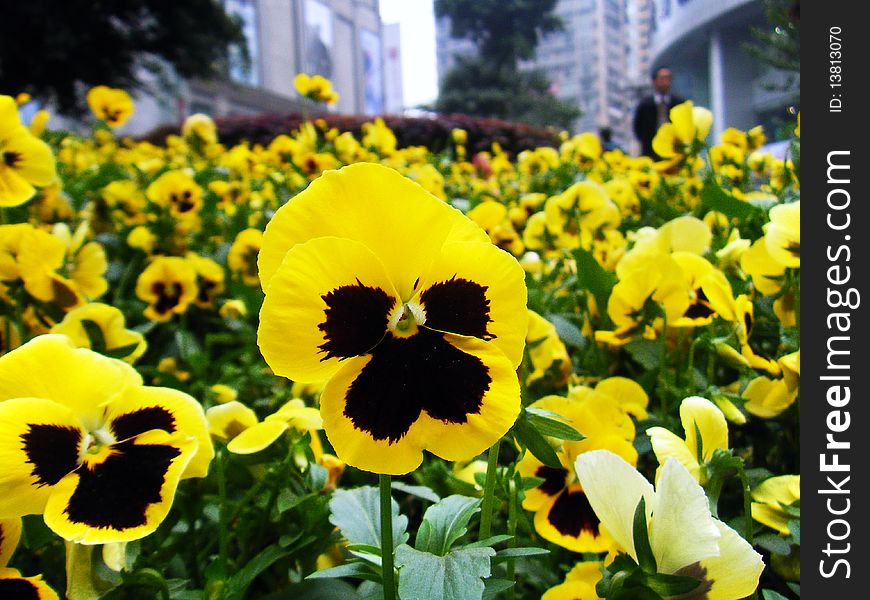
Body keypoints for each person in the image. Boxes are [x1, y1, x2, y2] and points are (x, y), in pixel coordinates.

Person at [632, 66, 685, 159]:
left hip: (675, 153)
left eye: (668, 78)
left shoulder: (679, 104)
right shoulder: (644, 105)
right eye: (662, 78)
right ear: (654, 81)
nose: (666, 81)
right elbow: (638, 128)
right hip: (650, 153)